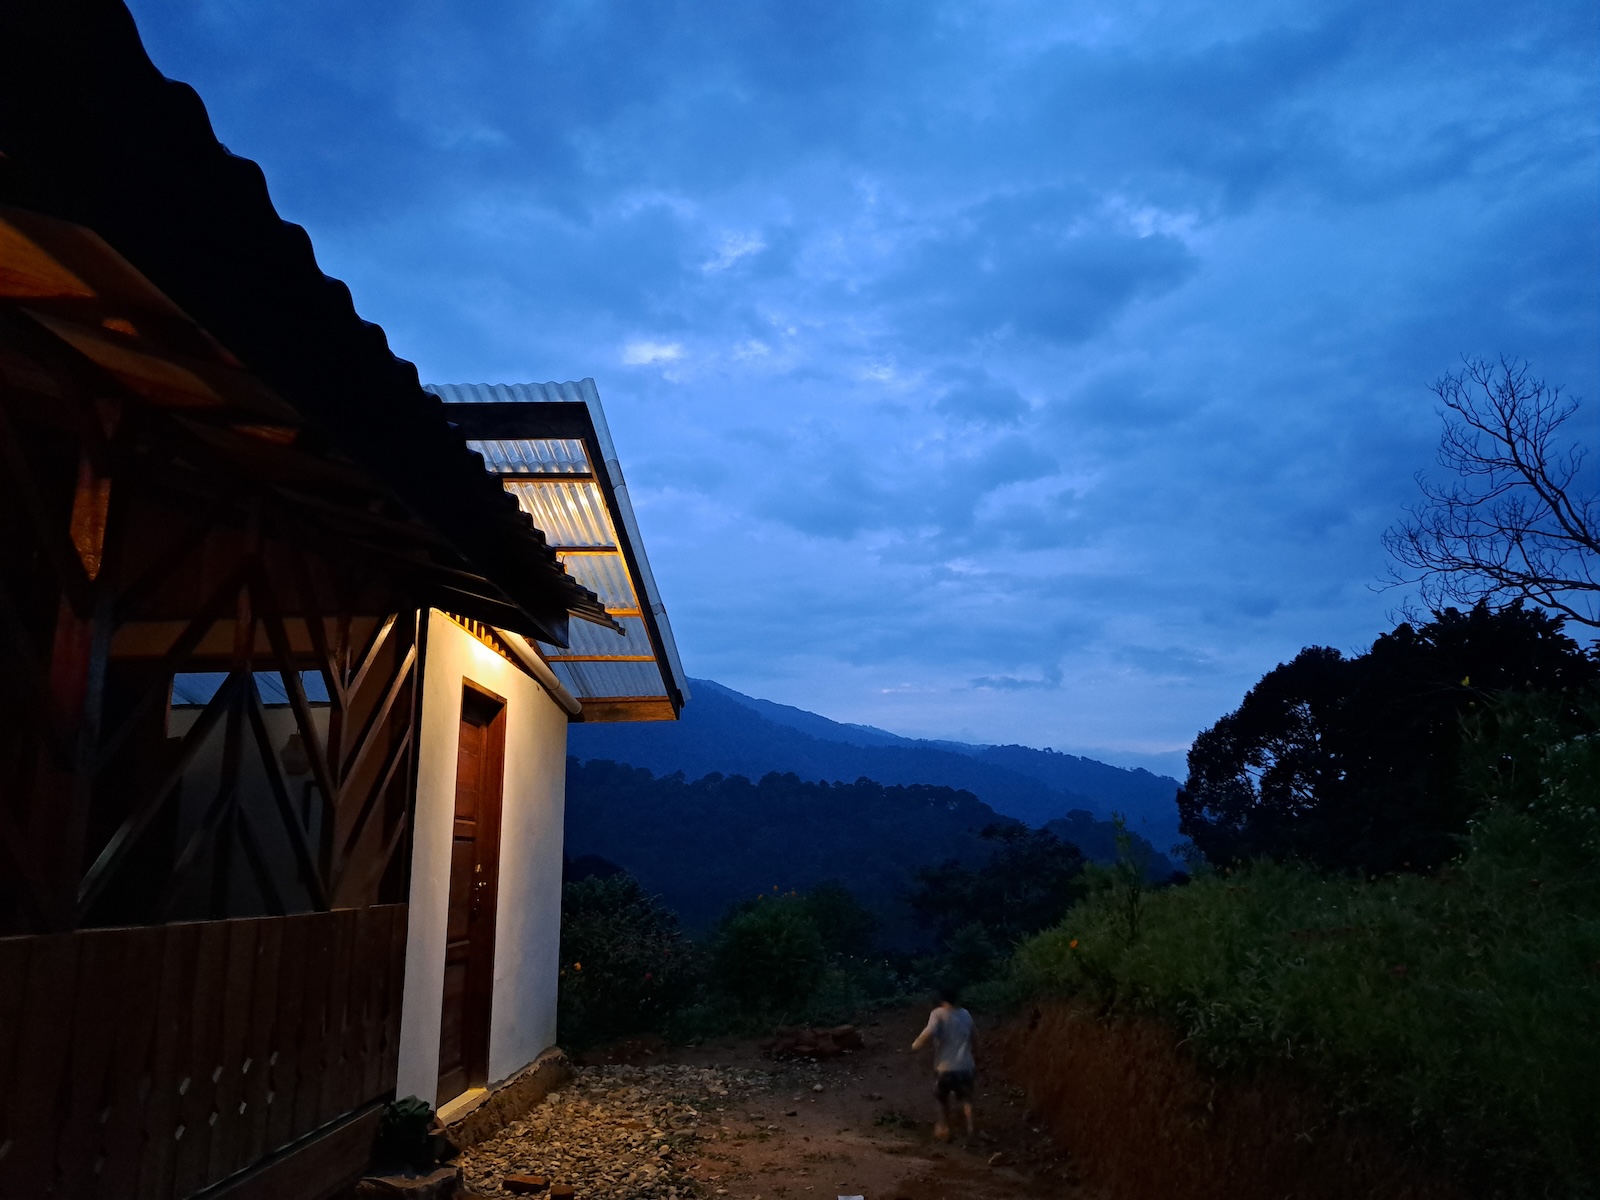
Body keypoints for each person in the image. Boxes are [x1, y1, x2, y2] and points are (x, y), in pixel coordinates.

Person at [911, 983, 977, 1141]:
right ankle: (971, 1130)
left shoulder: (938, 1014)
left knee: (943, 1099)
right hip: (966, 1066)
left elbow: (929, 1032)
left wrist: (916, 1044)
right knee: (967, 1099)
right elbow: (975, 1036)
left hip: (945, 1067)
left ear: (941, 999)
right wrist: (976, 1055)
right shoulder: (966, 1014)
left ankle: (945, 1129)